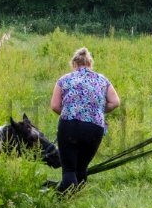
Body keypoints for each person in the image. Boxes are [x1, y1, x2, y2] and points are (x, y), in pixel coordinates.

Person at [50, 47, 120, 192]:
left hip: (69, 125)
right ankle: (76, 200)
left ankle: (63, 200)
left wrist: (71, 112)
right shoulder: (102, 80)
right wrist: (97, 110)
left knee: (69, 169)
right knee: (81, 168)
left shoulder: (64, 79)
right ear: (90, 63)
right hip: (94, 128)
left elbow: (55, 106)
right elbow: (115, 102)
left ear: (74, 64)